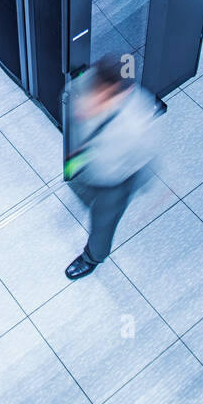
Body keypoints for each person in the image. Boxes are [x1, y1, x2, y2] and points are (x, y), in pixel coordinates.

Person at [62, 54, 161, 280]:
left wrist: (135, 184)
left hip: (118, 179)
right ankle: (83, 187)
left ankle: (92, 257)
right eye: (97, 90)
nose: (96, 98)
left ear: (122, 92)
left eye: (105, 95)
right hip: (88, 162)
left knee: (103, 221)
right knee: (83, 190)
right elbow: (70, 98)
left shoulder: (138, 121)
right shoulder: (83, 85)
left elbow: (146, 157)